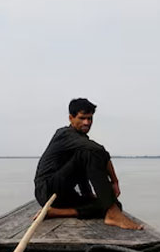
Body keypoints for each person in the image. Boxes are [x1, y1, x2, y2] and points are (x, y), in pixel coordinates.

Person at [34, 98, 143, 230]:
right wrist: (114, 181)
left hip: (63, 194)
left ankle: (57, 212)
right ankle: (113, 213)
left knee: (112, 203)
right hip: (47, 190)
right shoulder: (64, 134)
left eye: (90, 118)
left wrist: (90, 195)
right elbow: (99, 151)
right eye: (82, 118)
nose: (87, 122)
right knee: (90, 152)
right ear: (71, 118)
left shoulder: (81, 139)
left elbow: (81, 168)